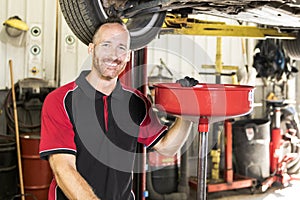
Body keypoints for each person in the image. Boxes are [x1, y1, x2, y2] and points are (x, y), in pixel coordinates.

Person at [39, 16, 193, 200]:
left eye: (121, 48)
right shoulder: (60, 100)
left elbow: (167, 148)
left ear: (128, 56)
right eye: (106, 45)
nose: (113, 55)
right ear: (91, 49)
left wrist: (189, 111)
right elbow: (63, 167)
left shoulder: (136, 102)